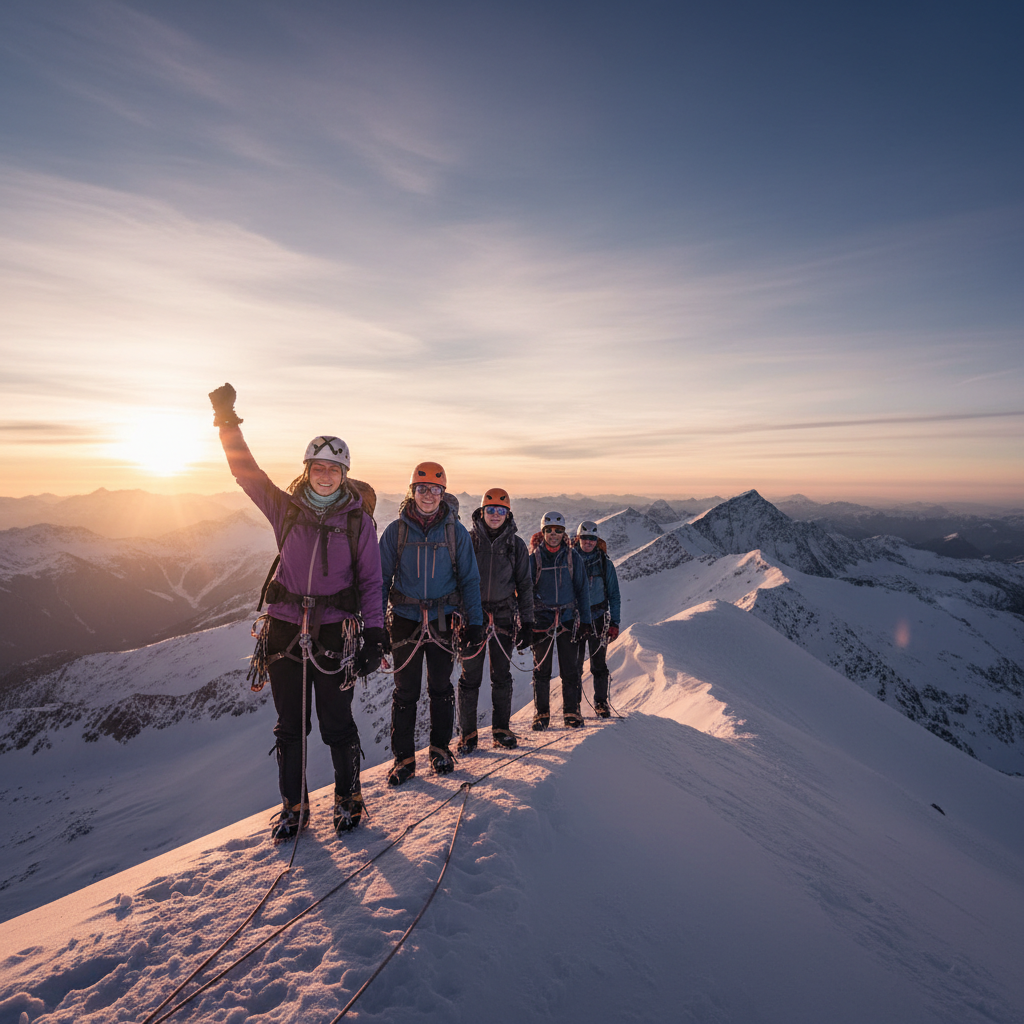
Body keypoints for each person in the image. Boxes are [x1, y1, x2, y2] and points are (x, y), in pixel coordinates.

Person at [208, 384, 386, 841]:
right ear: (307, 470)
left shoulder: (357, 520)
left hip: (333, 630)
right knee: (290, 725)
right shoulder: (284, 507)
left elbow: (370, 581)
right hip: (285, 627)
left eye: (333, 468)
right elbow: (246, 474)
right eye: (318, 467)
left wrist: (375, 635)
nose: (325, 475)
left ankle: (348, 797)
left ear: (344, 474)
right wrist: (227, 422)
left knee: (336, 721)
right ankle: (294, 805)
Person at [379, 462, 483, 784]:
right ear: (412, 492)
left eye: (434, 489)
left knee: (440, 688)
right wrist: (375, 626)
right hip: (405, 620)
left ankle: (440, 750)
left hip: (443, 620)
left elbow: (469, 580)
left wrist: (475, 623)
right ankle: (404, 759)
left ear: (443, 493)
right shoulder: (396, 532)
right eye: (421, 489)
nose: (428, 495)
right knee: (405, 691)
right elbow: (380, 580)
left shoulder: (456, 533)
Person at [456, 487, 535, 753]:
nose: (495, 515)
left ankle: (501, 729)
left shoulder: (516, 546)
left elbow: (524, 585)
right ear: (482, 511)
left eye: (501, 511)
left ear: (508, 514)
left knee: (501, 675)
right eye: (490, 510)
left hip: (503, 616)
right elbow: (456, 581)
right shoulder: (467, 541)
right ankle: (468, 734)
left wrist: (528, 621)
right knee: (471, 677)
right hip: (472, 618)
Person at [529, 511, 592, 729]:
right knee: (541, 670)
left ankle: (571, 712)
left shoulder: (572, 557)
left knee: (570, 668)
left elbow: (582, 590)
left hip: (566, 619)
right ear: (543, 532)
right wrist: (527, 622)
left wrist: (586, 620)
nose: (554, 534)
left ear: (564, 533)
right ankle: (542, 713)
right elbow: (526, 592)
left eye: (558, 531)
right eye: (549, 531)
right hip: (541, 620)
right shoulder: (534, 558)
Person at [571, 521, 621, 717]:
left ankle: (601, 703)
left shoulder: (604, 563)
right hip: (575, 619)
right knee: (574, 666)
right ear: (578, 538)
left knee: (598, 664)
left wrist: (614, 623)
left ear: (596, 540)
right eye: (584, 538)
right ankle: (573, 706)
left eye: (592, 538)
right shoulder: (569, 559)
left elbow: (614, 595)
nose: (588, 542)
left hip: (598, 619)